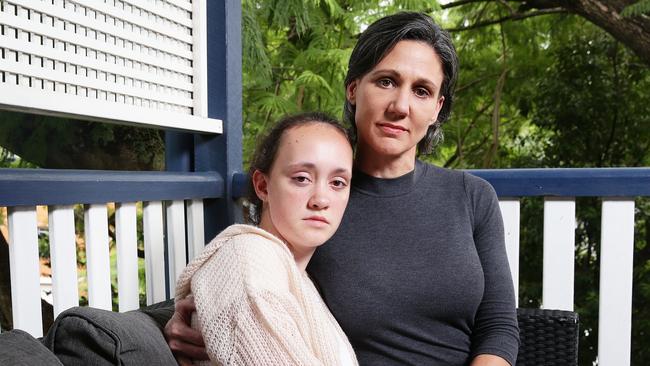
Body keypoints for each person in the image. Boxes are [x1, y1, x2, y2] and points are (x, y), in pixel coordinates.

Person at [166, 12, 519, 366]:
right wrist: (192, 321)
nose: (400, 106)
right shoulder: (318, 205)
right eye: (386, 82)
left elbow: (499, 326)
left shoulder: (472, 197)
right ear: (354, 89)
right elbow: (253, 282)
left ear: (437, 109)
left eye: (422, 91)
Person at [173, 112, 358, 365]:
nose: (321, 200)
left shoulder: (293, 274)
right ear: (262, 186)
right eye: (302, 178)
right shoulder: (248, 263)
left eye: (338, 182)